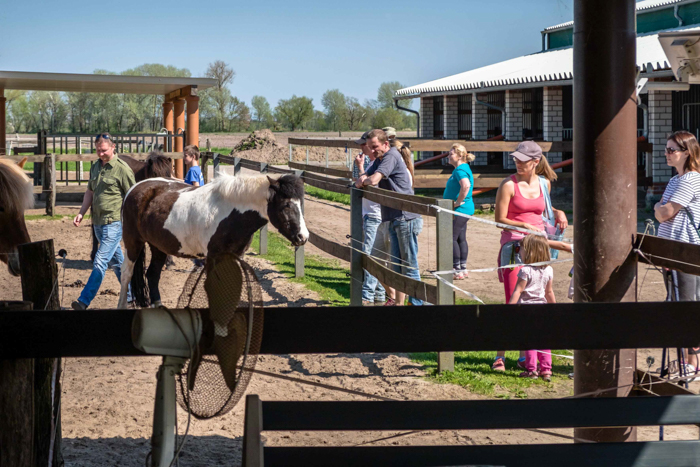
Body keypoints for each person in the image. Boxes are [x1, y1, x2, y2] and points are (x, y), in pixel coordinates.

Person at [491, 140, 569, 371]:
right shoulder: (508, 185)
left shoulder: (544, 183)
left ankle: (530, 358)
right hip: (515, 247)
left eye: (522, 160)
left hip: (539, 246)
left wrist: (558, 212)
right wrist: (523, 224)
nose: (517, 163)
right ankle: (500, 356)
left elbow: (543, 209)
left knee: (539, 298)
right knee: (514, 300)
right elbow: (499, 220)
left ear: (535, 162)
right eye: (516, 159)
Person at [356, 129, 424, 306]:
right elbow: (363, 177)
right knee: (397, 266)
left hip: (405, 217)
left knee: (409, 265)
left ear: (386, 144)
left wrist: (364, 180)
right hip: (393, 217)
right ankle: (401, 303)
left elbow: (373, 179)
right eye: (370, 147)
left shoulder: (390, 157)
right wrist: (363, 178)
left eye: (375, 146)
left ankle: (417, 304)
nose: (372, 150)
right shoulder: (379, 159)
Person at [72, 133, 135, 310]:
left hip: (114, 223)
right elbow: (90, 192)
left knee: (100, 261)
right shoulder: (95, 167)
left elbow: (133, 196)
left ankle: (84, 301)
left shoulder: (122, 169)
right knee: (117, 264)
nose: (100, 154)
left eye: (104, 150)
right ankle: (131, 297)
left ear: (113, 147)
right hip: (97, 223)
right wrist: (81, 213)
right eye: (98, 150)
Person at [654, 130, 700, 374]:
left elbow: (664, 213)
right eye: (666, 149)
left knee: (687, 306)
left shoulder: (691, 179)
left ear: (687, 152)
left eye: (672, 150)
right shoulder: (674, 180)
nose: (667, 154)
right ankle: (686, 361)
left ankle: (693, 363)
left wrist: (658, 208)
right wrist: (660, 208)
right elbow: (664, 211)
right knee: (676, 304)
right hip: (670, 250)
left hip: (686, 251)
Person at [508, 234, 556, 381]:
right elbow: (549, 292)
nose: (519, 251)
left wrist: (508, 309)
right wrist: (554, 308)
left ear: (530, 251)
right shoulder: (549, 270)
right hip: (542, 310)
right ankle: (546, 369)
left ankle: (531, 370)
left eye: (521, 249)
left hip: (527, 311)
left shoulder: (525, 271)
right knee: (543, 340)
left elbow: (518, 290)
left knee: (530, 340)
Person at [353, 130, 388, 305]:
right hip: (370, 213)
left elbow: (369, 182)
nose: (362, 147)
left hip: (375, 214)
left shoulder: (378, 165)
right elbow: (358, 181)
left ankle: (367, 295)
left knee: (371, 255)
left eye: (364, 144)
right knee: (375, 255)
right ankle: (379, 295)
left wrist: (361, 171)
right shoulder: (372, 164)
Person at [443, 144, 475, 279]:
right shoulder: (461, 168)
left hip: (460, 209)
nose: (448, 156)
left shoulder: (460, 170)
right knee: (461, 238)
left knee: (452, 238)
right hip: (463, 209)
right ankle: (462, 267)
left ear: (460, 156)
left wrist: (457, 202)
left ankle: (456, 269)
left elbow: (466, 185)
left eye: (451, 154)